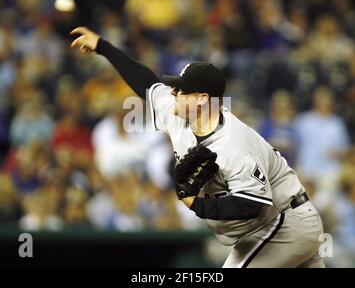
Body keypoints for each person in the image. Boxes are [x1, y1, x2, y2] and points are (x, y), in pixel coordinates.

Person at [70, 27, 325, 268]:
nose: (173, 93)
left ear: (202, 99)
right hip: (271, 228)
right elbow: (146, 82)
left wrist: (196, 204)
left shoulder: (233, 142)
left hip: (286, 224)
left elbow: (251, 203)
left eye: (181, 90)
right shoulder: (178, 111)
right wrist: (103, 47)